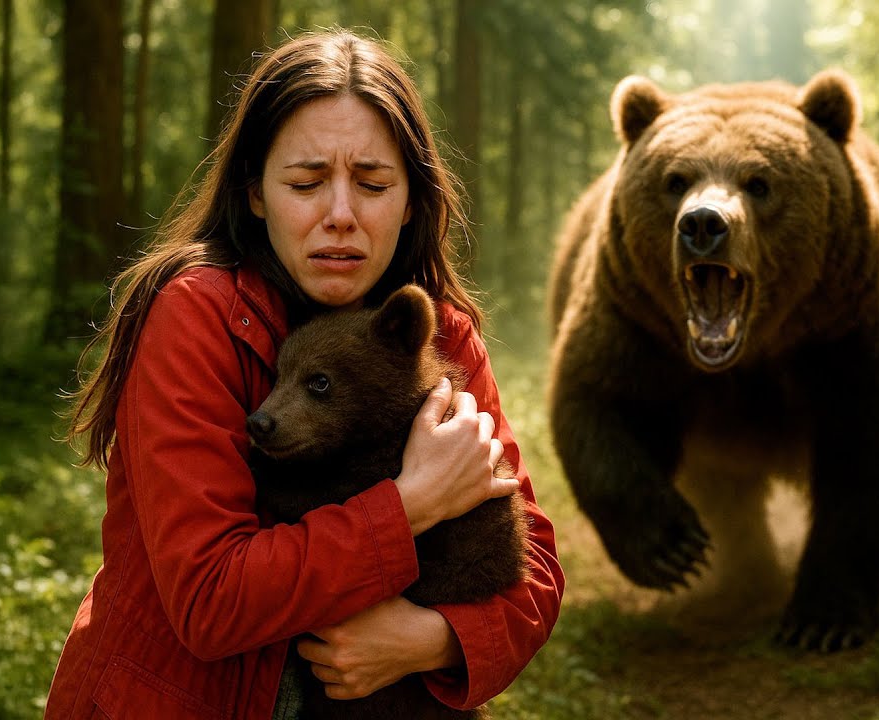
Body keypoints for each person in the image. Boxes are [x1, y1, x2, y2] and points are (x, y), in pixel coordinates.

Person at [44, 29, 564, 719]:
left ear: (411, 198)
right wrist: (413, 504)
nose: (340, 216)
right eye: (306, 182)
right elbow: (209, 600)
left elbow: (536, 582)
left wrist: (432, 641)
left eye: (373, 183)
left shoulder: (436, 334)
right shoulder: (196, 315)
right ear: (255, 192)